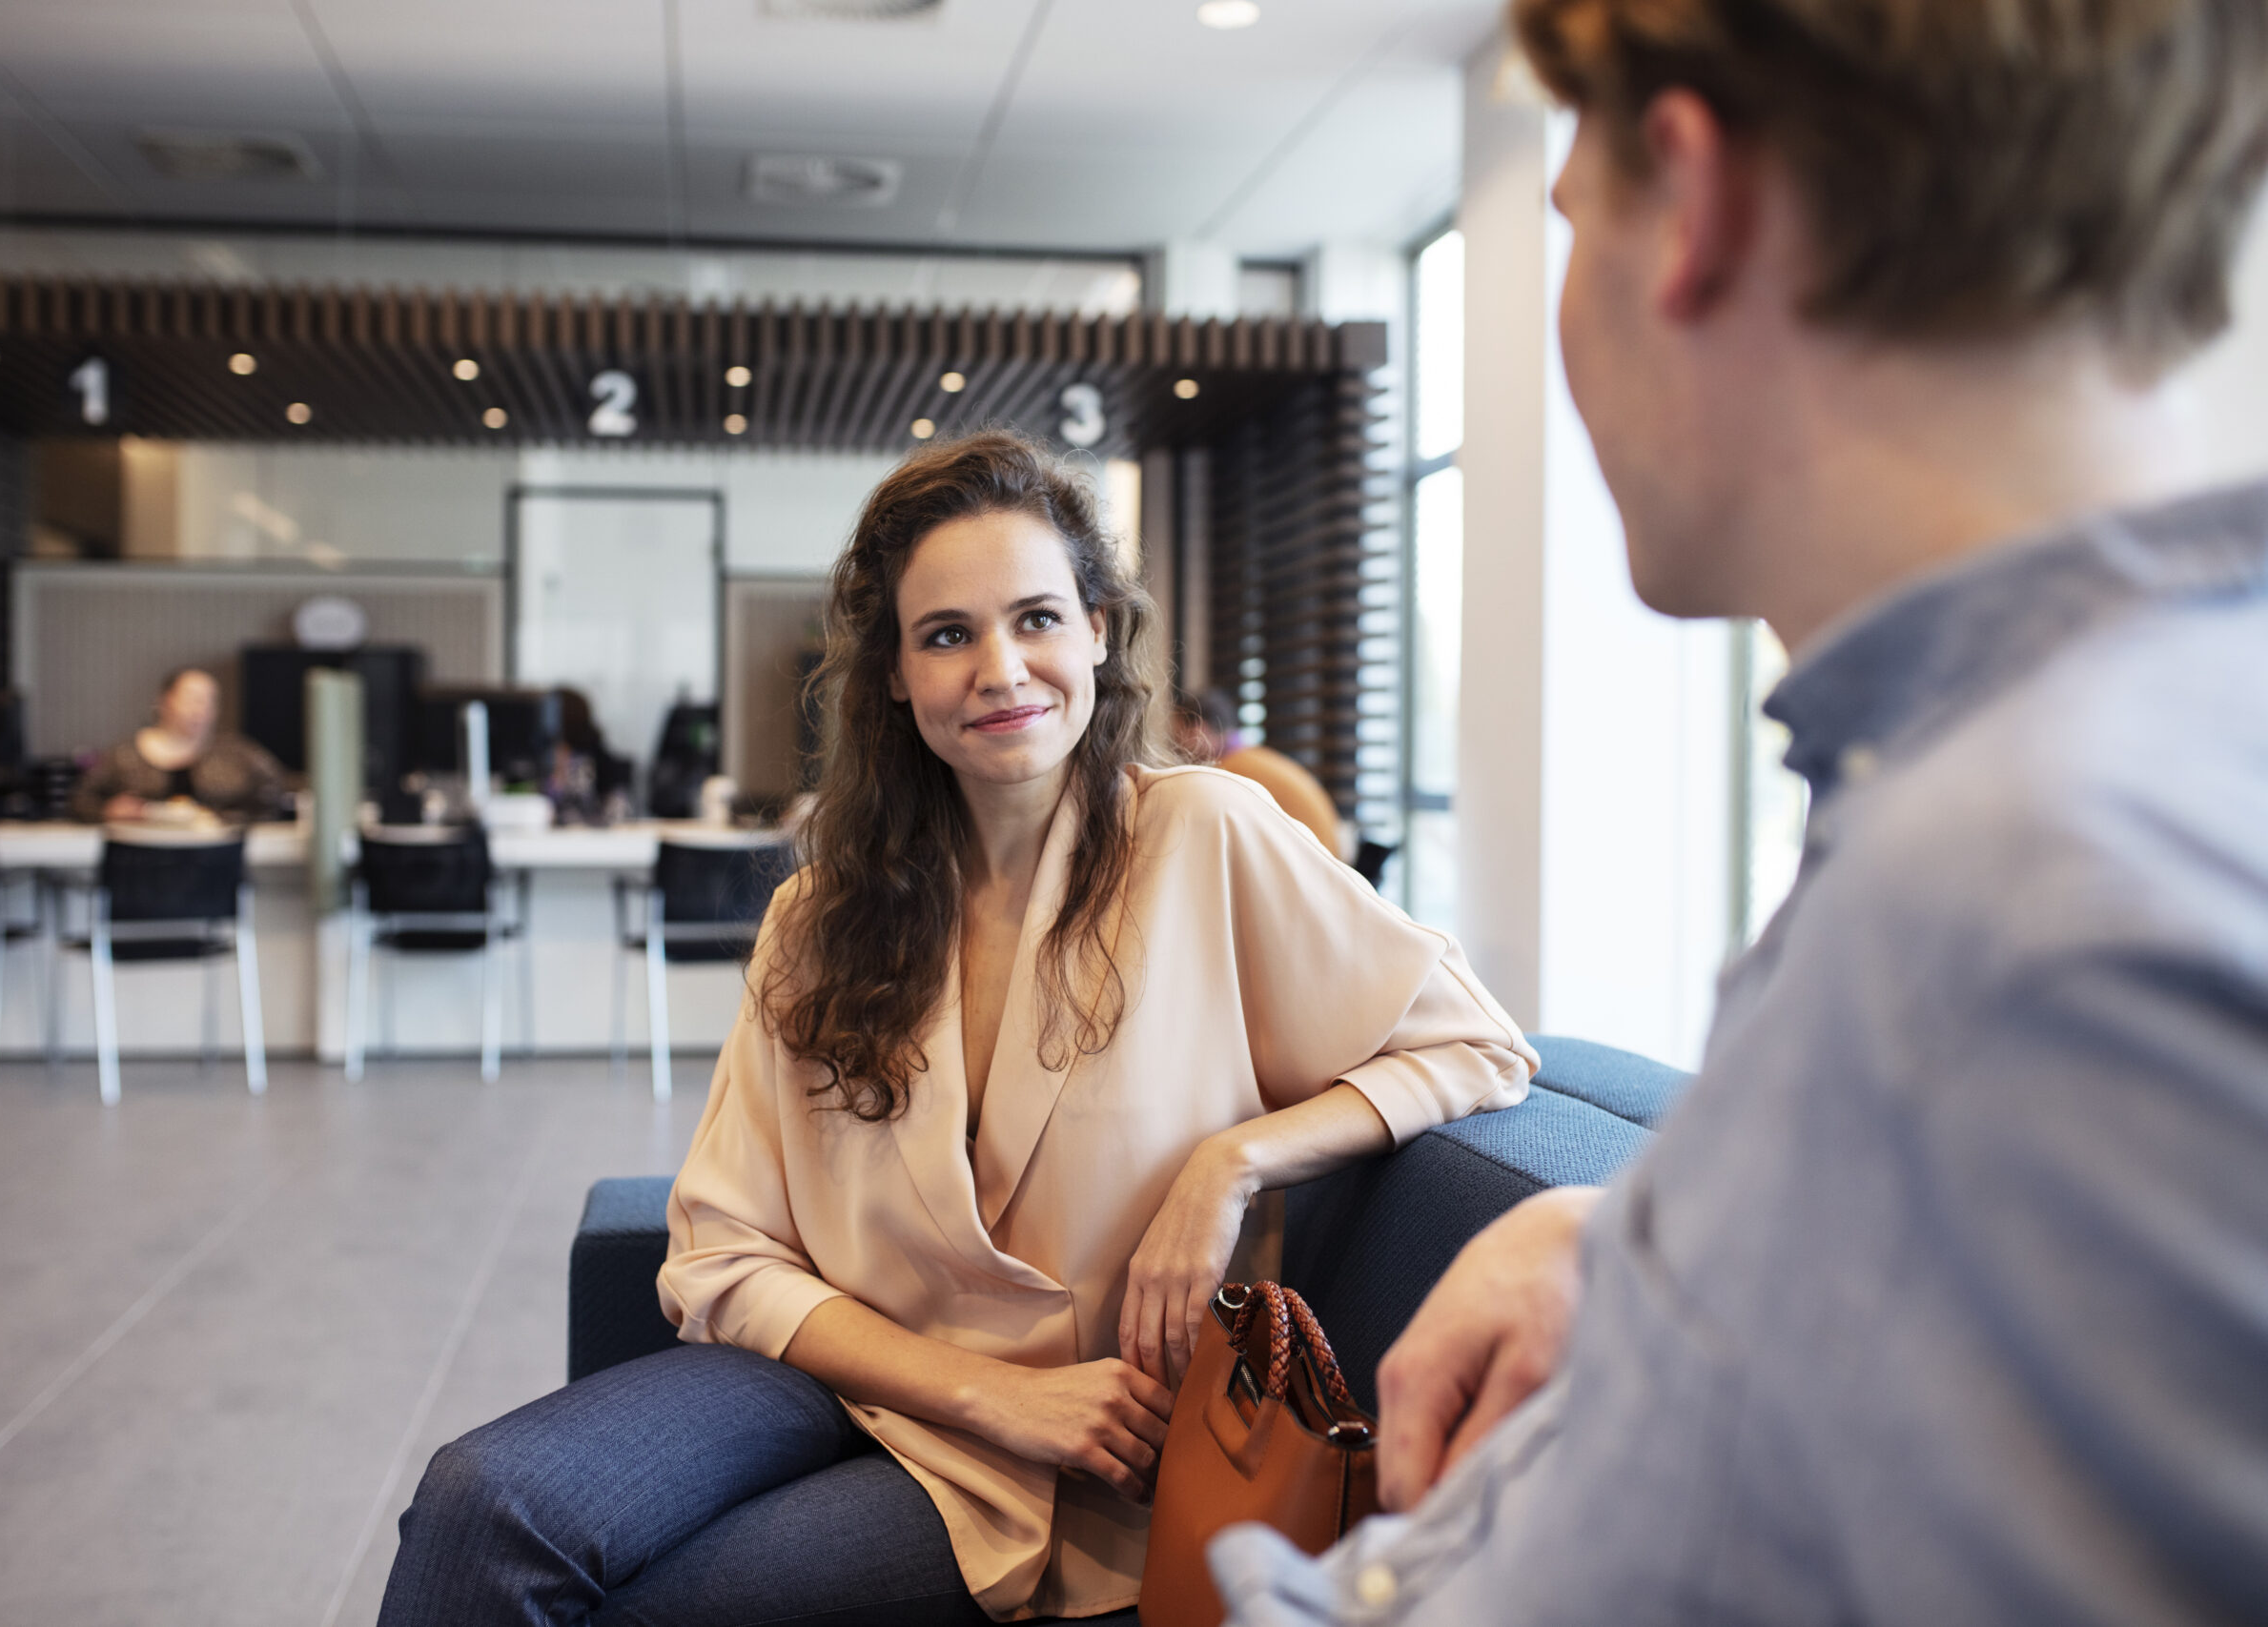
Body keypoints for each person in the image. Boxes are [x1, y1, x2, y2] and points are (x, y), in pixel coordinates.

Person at [1217, 1, 2268, 1623]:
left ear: (1692, 206)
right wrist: (1663, 1243)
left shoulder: (2028, 914)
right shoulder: (2027, 817)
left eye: (1571, 217)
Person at [376, 431, 1538, 1626]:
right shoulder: (818, 914)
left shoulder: (1203, 838)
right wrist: (983, 1390)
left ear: (1097, 629)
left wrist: (1229, 1162)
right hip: (846, 1379)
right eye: (947, 634)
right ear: (893, 674)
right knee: (479, 1503)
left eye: (1036, 618)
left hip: (1051, 1471)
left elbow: (1478, 1048)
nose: (1001, 668)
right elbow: (720, 1256)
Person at [71, 666, 287, 825]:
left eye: (209, 701)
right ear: (164, 701)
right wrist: (107, 811)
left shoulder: (238, 752)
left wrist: (230, 818)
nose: (200, 709)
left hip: (216, 859)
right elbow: (80, 800)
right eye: (192, 699)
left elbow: (277, 794)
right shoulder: (124, 754)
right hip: (142, 858)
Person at [1172, 687, 1350, 859]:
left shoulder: (1231, 770)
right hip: (1325, 863)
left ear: (1199, 729)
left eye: (1179, 734)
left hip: (1311, 867)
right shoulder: (1251, 759)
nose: (1176, 745)